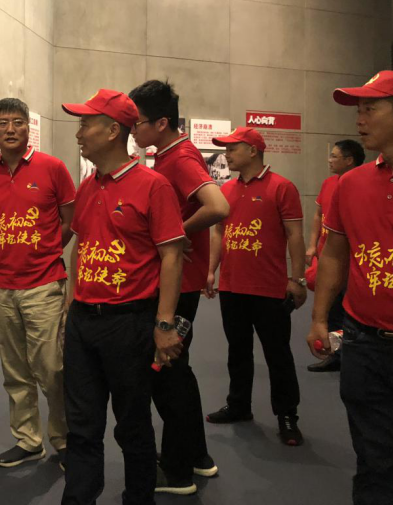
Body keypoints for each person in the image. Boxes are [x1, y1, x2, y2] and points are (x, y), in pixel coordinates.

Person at [61, 89, 185, 505]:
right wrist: (71, 304)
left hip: (128, 323)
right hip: (83, 320)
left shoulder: (153, 186)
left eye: (86, 124)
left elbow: (171, 256)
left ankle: (138, 497)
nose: (79, 132)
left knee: (132, 423)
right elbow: (80, 245)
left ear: (114, 130)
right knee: (81, 425)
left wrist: (164, 323)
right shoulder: (87, 186)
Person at [128, 80, 229, 495]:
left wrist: (175, 233)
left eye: (137, 123)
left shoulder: (181, 157)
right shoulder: (167, 155)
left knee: (166, 373)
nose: (132, 130)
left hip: (180, 283)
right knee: (176, 371)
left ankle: (176, 469)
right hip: (180, 279)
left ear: (161, 122)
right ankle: (196, 456)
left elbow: (219, 206)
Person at [307, 71, 393, 505]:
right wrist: (319, 318)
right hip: (365, 342)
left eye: (370, 109)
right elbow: (334, 255)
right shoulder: (351, 183)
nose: (359, 119)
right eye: (358, 110)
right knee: (374, 459)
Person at [0, 98, 76, 471]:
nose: (11, 129)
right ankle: (28, 440)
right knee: (14, 369)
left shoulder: (52, 168)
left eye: (18, 121)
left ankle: (64, 439)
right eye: (2, 123)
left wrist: (47, 252)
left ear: (28, 127)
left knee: (52, 368)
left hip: (44, 284)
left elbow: (70, 220)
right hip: (1, 286)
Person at [205, 127, 306, 446]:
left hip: (269, 288)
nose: (226, 155)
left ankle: (287, 415)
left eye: (232, 149)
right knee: (237, 351)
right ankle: (239, 405)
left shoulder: (282, 187)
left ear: (252, 150)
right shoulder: (226, 189)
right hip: (232, 286)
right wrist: (211, 271)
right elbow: (218, 233)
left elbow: (295, 235)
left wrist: (297, 279)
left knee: (278, 354)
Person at [305, 139, 365, 372]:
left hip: (353, 261)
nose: (329, 160)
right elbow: (318, 215)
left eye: (334, 156)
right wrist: (312, 246)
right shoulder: (329, 183)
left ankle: (351, 357)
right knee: (331, 307)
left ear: (349, 160)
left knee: (350, 311)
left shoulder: (362, 183)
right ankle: (334, 355)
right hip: (327, 255)